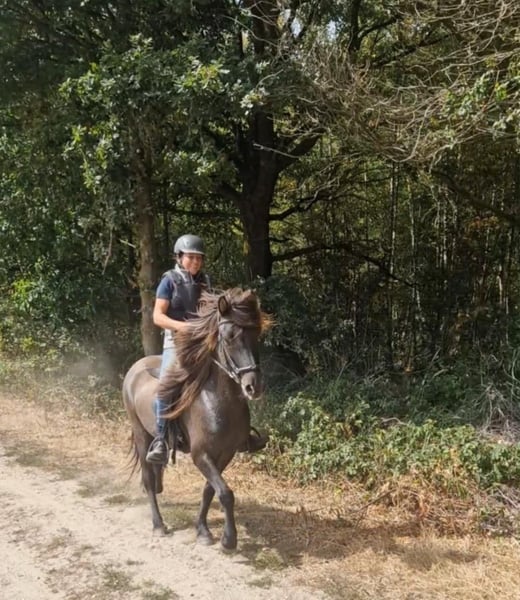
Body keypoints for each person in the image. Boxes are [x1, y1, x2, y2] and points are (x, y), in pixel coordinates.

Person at [146, 233, 267, 464]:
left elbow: (214, 312)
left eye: (199, 258)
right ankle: (161, 439)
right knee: (166, 386)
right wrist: (185, 327)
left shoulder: (205, 281)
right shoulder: (169, 281)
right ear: (179, 257)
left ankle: (242, 434)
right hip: (177, 342)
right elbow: (157, 317)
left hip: (203, 341)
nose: (195, 262)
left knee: (230, 374)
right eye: (191, 257)